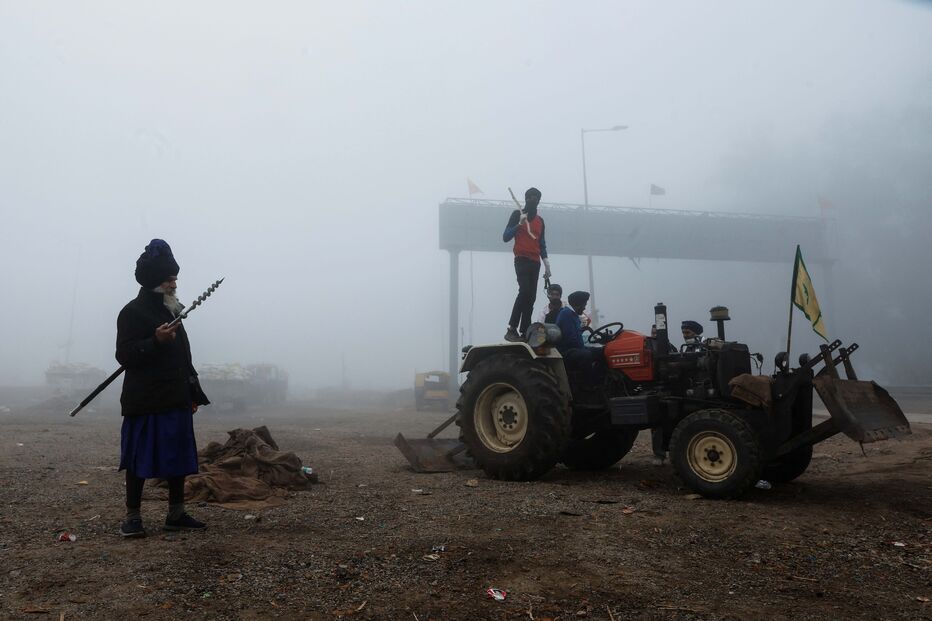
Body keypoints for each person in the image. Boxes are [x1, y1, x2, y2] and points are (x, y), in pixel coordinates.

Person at [116, 239, 210, 538]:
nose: (175, 283)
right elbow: (125, 355)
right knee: (137, 459)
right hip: (144, 400)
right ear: (156, 281)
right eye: (170, 279)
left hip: (175, 398)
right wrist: (154, 342)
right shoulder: (132, 312)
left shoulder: (174, 312)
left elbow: (184, 355)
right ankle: (133, 517)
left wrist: (193, 392)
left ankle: (176, 514)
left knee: (178, 458)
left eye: (174, 278)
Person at [503, 187, 551, 342]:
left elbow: (541, 244)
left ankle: (525, 331)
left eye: (536, 197)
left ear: (539, 200)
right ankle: (512, 328)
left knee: (531, 297)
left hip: (535, 262)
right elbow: (505, 237)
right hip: (521, 259)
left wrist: (547, 264)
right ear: (525, 199)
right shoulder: (517, 214)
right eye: (530, 197)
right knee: (524, 291)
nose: (533, 199)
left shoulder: (540, 221)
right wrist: (519, 224)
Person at [555, 291, 602, 386]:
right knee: (586, 355)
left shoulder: (574, 315)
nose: (584, 307)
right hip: (565, 351)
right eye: (584, 304)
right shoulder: (566, 314)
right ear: (578, 304)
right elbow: (571, 340)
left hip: (575, 348)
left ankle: (603, 381)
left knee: (602, 351)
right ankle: (589, 386)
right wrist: (583, 348)